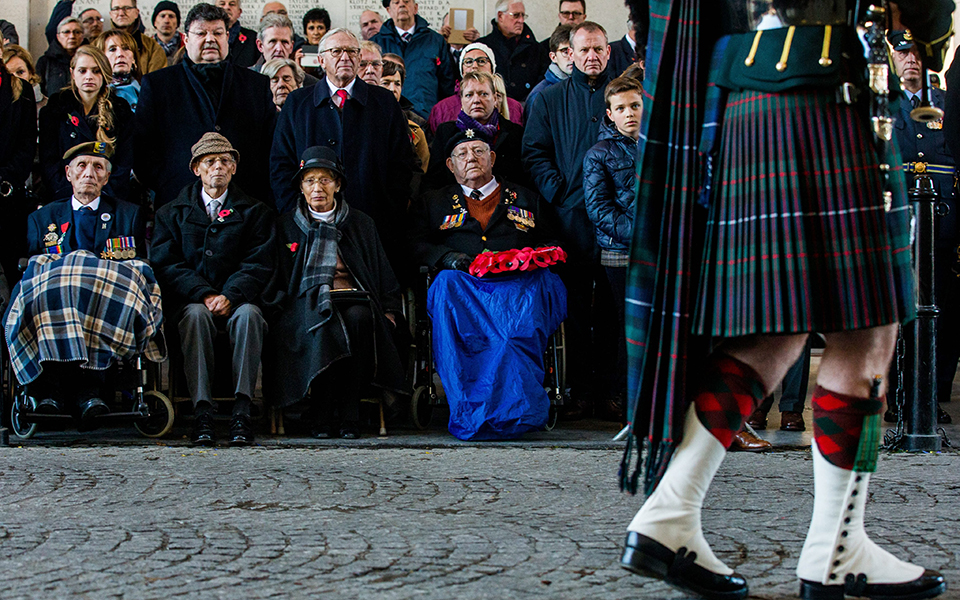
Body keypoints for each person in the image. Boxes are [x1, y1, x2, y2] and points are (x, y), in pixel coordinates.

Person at [619, 1, 953, 598]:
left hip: (746, 102)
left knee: (775, 322)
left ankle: (669, 513)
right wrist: (933, 33)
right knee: (869, 326)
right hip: (833, 91)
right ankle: (837, 546)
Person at [409, 129, 566, 440]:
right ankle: (473, 412)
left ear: (492, 158)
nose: (471, 159)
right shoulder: (433, 202)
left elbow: (553, 241)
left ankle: (519, 413)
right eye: (462, 154)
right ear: (450, 166)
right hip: (464, 292)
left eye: (479, 151)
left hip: (517, 291)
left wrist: (535, 256)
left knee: (510, 336)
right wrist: (446, 256)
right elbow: (414, 245)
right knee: (445, 282)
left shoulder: (526, 197)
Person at [9, 141, 154, 432]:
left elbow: (134, 265)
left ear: (106, 177)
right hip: (53, 305)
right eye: (82, 166)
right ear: (68, 174)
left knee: (97, 299)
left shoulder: (127, 215)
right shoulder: (42, 218)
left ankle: (91, 393)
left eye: (97, 167)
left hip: (102, 304)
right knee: (47, 296)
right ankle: (49, 392)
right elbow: (31, 265)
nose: (89, 172)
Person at [263, 146, 406, 439]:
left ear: (338, 185)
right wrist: (276, 308)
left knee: (359, 318)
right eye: (310, 180)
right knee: (323, 319)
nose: (318, 188)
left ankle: (350, 412)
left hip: (356, 298)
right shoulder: (286, 226)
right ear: (301, 187)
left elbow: (382, 271)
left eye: (325, 180)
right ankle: (322, 410)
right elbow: (274, 278)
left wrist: (391, 309)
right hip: (303, 305)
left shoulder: (361, 223)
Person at [152, 133, 276, 447]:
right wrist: (204, 293)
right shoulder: (171, 213)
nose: (217, 167)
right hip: (193, 300)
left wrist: (231, 294)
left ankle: (242, 410)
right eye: (210, 162)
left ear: (234, 168)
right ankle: (202, 410)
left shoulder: (255, 212)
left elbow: (259, 262)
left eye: (224, 161)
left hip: (239, 299)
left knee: (250, 316)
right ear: (196, 169)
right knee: (194, 317)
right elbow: (166, 263)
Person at [522, 21, 619, 421]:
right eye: (584, 50)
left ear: (608, 52)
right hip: (569, 219)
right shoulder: (549, 99)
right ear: (570, 54)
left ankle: (613, 391)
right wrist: (561, 193)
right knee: (574, 308)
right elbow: (534, 154)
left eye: (598, 49)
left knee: (613, 309)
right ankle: (578, 391)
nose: (592, 56)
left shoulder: (625, 97)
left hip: (617, 220)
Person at [270, 27, 417, 278]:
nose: (345, 57)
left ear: (360, 58)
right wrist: (294, 214)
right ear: (320, 60)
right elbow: (281, 164)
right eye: (336, 51)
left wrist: (389, 210)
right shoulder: (298, 103)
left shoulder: (384, 102)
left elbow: (402, 163)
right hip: (310, 224)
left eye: (351, 51)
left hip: (374, 224)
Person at [135, 3, 277, 209]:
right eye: (201, 33)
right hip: (178, 203)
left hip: (246, 203)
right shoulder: (158, 85)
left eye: (217, 33)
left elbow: (269, 145)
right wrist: (168, 181)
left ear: (227, 37)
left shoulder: (256, 84)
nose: (210, 39)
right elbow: (143, 149)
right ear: (186, 38)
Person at [889, 30, 955, 425]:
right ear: (893, 59)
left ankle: (928, 395)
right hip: (898, 222)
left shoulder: (947, 105)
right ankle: (898, 394)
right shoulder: (882, 105)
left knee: (939, 312)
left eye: (916, 53)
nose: (911, 59)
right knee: (899, 312)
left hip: (942, 224)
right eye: (903, 53)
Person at [582, 75, 640, 425]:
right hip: (619, 253)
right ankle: (626, 400)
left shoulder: (663, 146)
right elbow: (599, 209)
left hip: (662, 254)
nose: (629, 113)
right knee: (625, 328)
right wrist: (641, 234)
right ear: (610, 114)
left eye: (635, 105)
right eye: (621, 108)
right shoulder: (599, 154)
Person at [39, 45, 134, 204]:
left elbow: (124, 164)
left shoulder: (120, 112)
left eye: (96, 71)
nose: (89, 76)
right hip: (64, 199)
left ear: (104, 74)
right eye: (82, 71)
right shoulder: (54, 110)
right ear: (72, 73)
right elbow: (49, 163)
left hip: (108, 199)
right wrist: (75, 198)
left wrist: (99, 197)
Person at [426, 70, 529, 190]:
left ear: (495, 99)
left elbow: (523, 180)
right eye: (469, 95)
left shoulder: (515, 133)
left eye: (483, 94)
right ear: (462, 101)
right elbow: (434, 180)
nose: (476, 100)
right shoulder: (445, 132)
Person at [371, 0, 458, 118]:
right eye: (396, 2)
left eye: (406, 1)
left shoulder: (436, 41)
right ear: (388, 11)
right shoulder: (377, 43)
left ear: (416, 8)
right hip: (385, 116)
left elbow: (447, 84)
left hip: (427, 118)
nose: (402, 5)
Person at [426, 42, 524, 136]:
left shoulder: (514, 107)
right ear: (462, 70)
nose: (474, 66)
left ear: (492, 67)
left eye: (481, 61)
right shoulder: (442, 109)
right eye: (468, 62)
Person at [0, 59, 39, 283]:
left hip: (8, 193)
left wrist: (6, 177)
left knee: (15, 273)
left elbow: (27, 146)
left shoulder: (20, 90)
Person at [477, 0, 549, 103]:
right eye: (516, 15)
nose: (521, 20)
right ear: (500, 16)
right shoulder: (483, 47)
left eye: (523, 16)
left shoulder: (537, 49)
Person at [381, 60, 430, 177]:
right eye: (386, 83)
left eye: (397, 84)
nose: (393, 89)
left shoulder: (416, 128)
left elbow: (421, 169)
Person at [251, 13, 319, 87]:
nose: (279, 49)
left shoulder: (311, 85)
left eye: (284, 42)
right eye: (273, 42)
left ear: (291, 46)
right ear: (260, 46)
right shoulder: (245, 79)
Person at [106, 0, 166, 75]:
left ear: (136, 13)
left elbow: (155, 81)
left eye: (127, 8)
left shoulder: (152, 47)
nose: (121, 13)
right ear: (111, 14)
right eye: (116, 9)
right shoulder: (99, 44)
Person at [525, 25, 574, 113]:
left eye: (576, 51)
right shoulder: (540, 95)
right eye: (565, 52)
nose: (571, 57)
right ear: (553, 57)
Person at [94, 30, 141, 112]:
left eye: (126, 48)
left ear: (134, 59)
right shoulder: (94, 94)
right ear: (101, 58)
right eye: (112, 49)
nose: (120, 54)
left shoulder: (148, 90)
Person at [37, 17, 84, 98]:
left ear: (82, 36)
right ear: (58, 36)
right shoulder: (45, 62)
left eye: (77, 32)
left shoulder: (91, 60)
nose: (72, 36)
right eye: (66, 32)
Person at [3, 45, 47, 112]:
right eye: (8, 74)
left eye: (20, 72)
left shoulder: (49, 107)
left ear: (30, 73)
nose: (16, 78)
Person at [217, 0, 259, 67]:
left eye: (232, 4)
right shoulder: (207, 38)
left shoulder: (253, 38)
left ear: (239, 12)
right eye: (222, 4)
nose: (227, 7)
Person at [153, 1, 184, 66]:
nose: (166, 21)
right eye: (162, 16)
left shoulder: (187, 45)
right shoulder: (145, 46)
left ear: (177, 22)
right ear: (155, 22)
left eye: (171, 16)